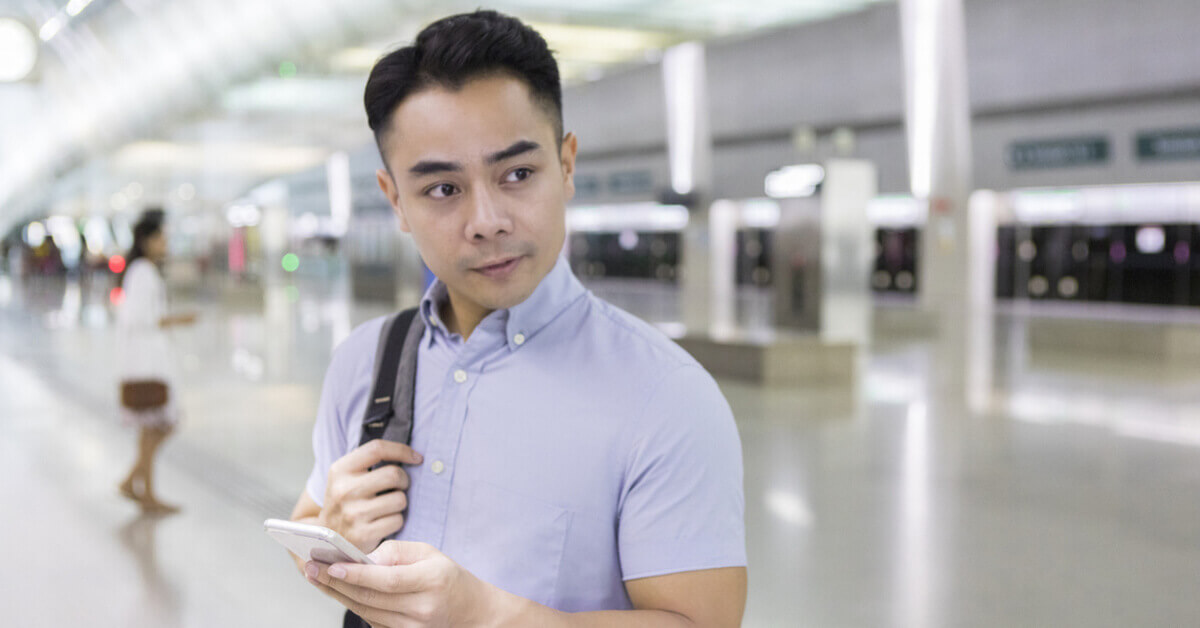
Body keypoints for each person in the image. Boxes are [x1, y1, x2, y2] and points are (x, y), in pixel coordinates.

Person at [291, 11, 747, 626]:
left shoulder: (665, 397)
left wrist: (484, 614)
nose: (487, 220)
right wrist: (333, 536)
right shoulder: (367, 358)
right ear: (395, 199)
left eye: (518, 174)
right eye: (443, 189)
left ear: (567, 165)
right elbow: (307, 520)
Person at [116, 210, 195, 514]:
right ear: (147, 241)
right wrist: (180, 319)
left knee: (153, 428)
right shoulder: (143, 272)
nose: (165, 244)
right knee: (159, 425)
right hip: (146, 362)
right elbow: (141, 318)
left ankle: (136, 484)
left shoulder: (142, 270)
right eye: (161, 238)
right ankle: (141, 488)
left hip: (148, 358)